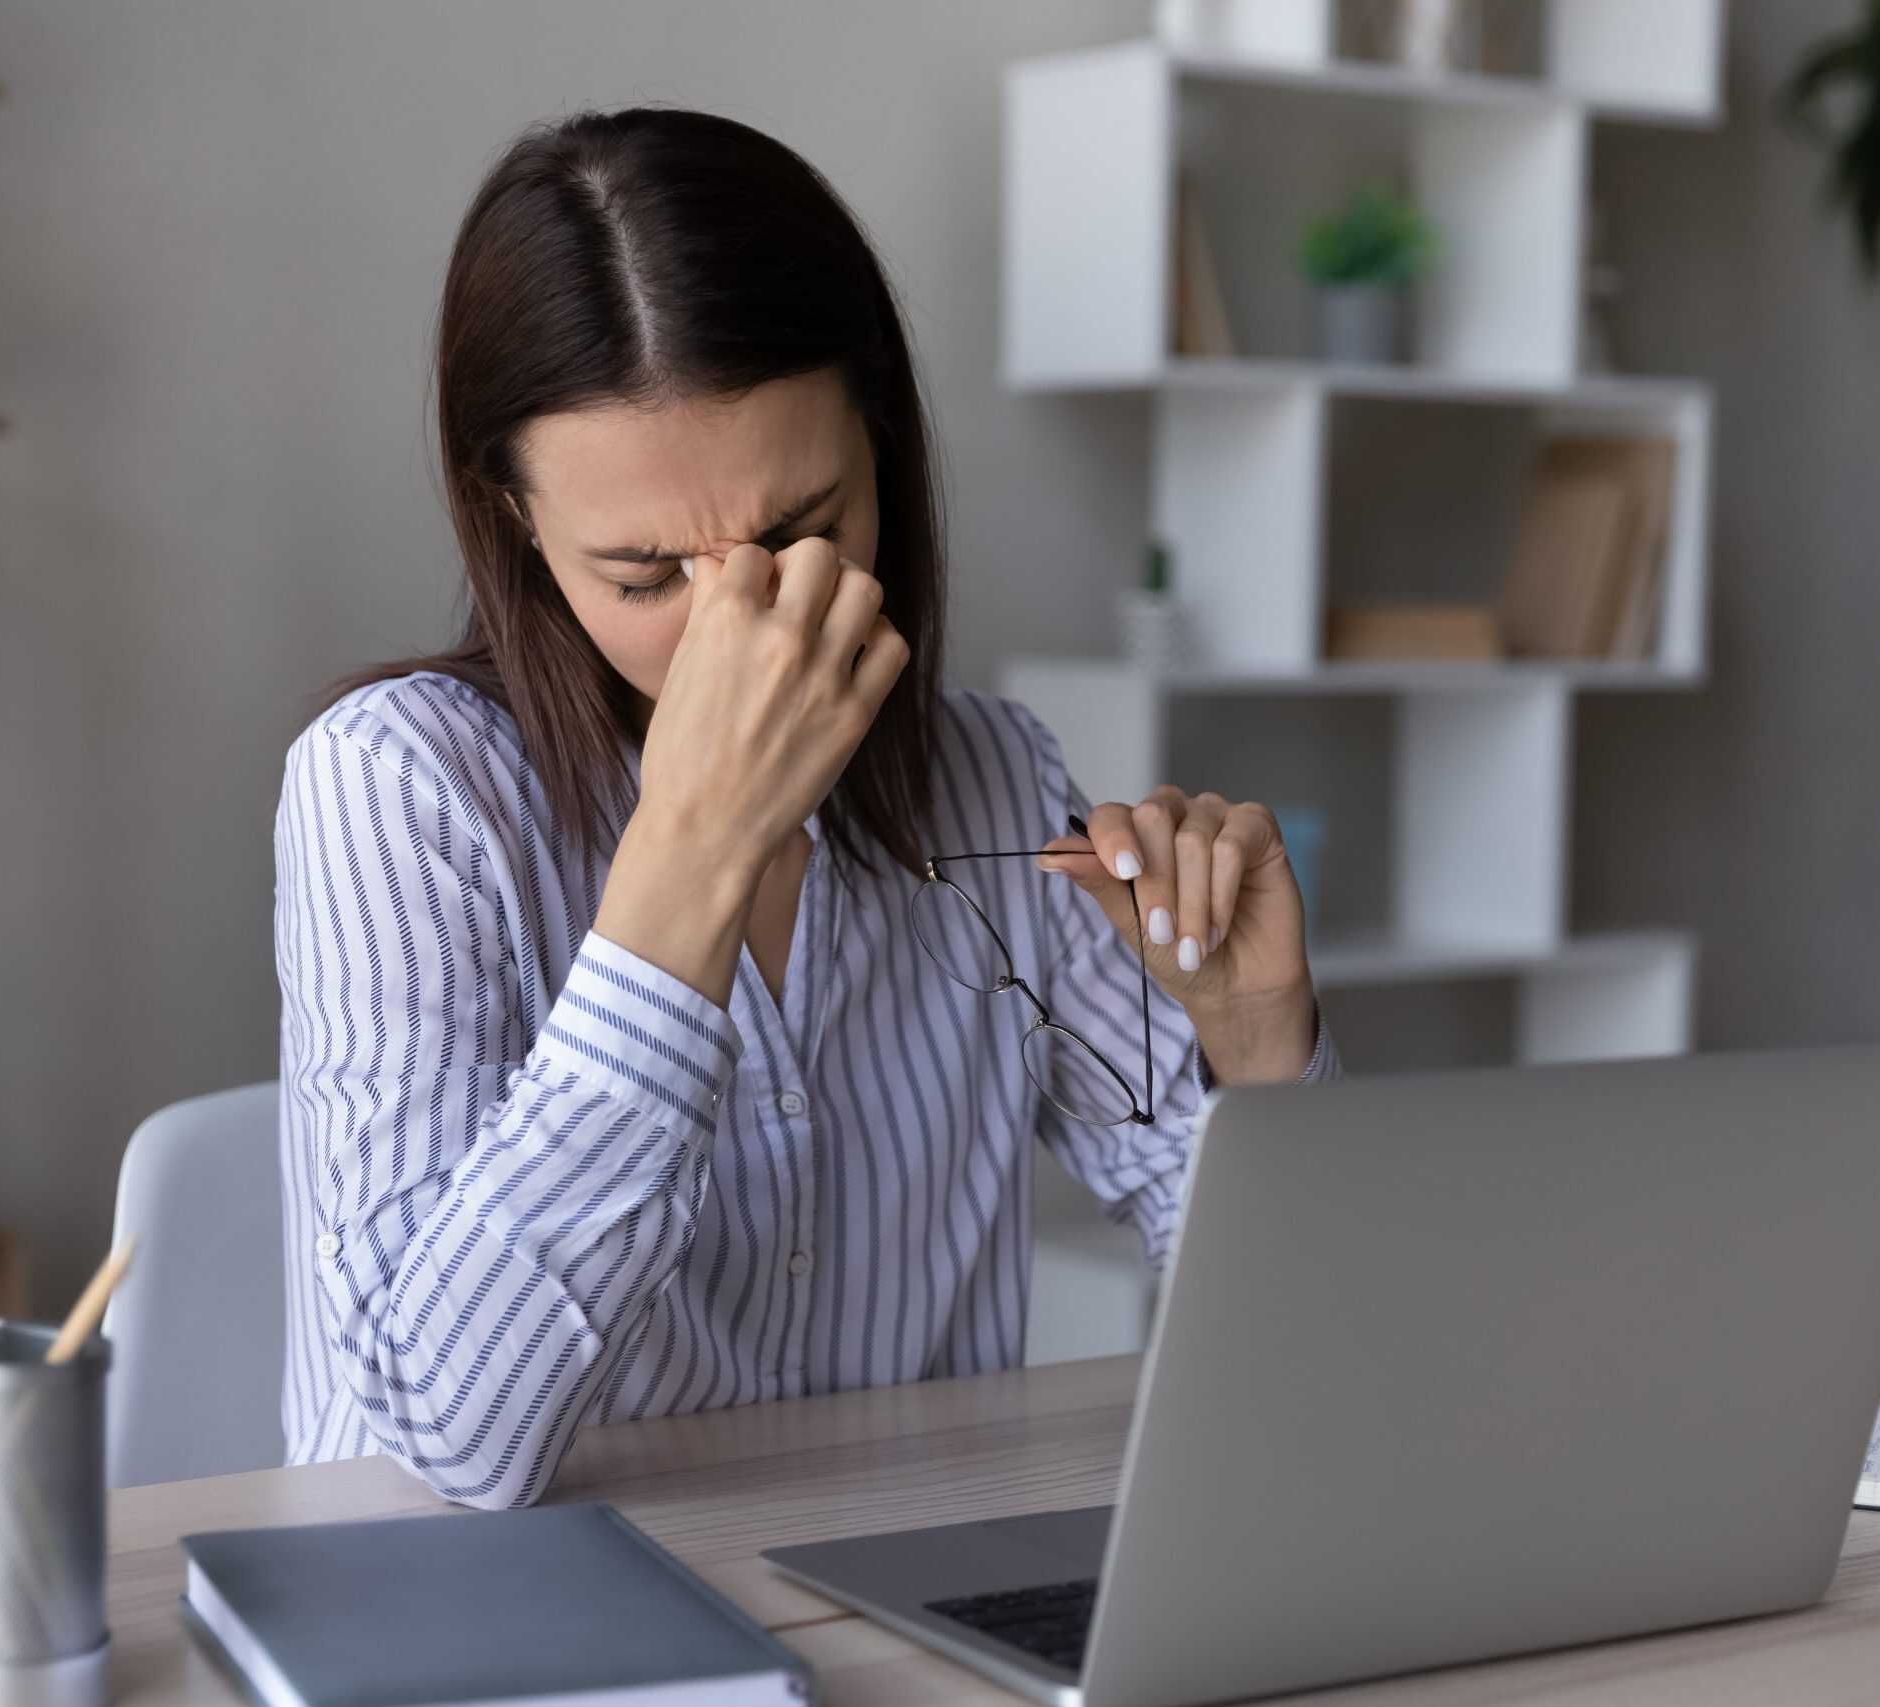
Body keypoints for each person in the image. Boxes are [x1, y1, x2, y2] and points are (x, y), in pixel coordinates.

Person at [275, 108, 1337, 1509]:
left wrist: (1255, 1052)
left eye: (801, 533)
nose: (744, 627)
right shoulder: (401, 789)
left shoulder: (996, 784)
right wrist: (689, 860)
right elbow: (447, 1447)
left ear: (882, 453)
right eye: (648, 576)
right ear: (520, 522)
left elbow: (1299, 1350)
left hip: (903, 1599)